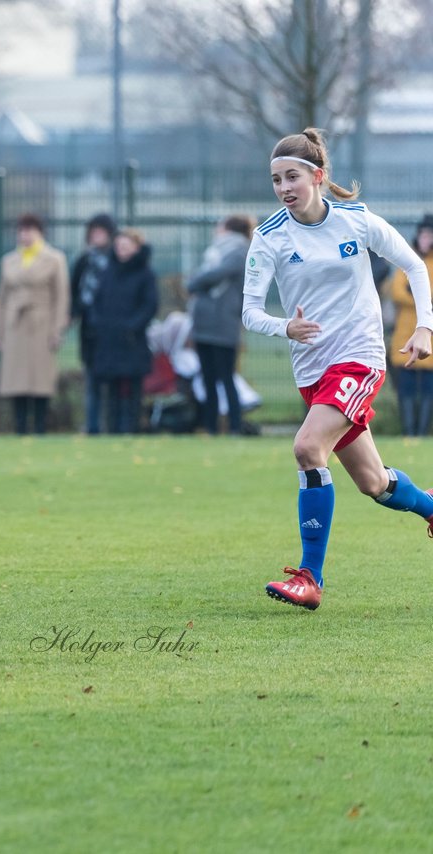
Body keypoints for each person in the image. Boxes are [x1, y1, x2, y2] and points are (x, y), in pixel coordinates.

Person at [242, 128, 433, 610]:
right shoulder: (269, 238)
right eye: (276, 180)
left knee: (307, 447)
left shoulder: (355, 220)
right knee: (374, 483)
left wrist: (425, 327)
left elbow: (415, 266)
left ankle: (310, 578)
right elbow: (249, 313)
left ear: (318, 177)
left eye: (293, 177)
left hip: (359, 358)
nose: (284, 188)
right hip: (313, 372)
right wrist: (286, 328)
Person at [0, 213, 69, 435]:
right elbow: (1, 299)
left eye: (30, 230)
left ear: (40, 233)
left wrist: (56, 329)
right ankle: (20, 427)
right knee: (16, 379)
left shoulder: (54, 259)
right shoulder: (9, 260)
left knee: (40, 379)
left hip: (41, 323)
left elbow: (61, 296)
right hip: (15, 326)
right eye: (22, 231)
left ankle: (40, 427)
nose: (25, 235)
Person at [186, 215, 252, 435]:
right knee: (208, 379)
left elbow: (213, 276)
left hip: (224, 326)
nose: (216, 230)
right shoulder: (216, 252)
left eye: (220, 226)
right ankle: (211, 427)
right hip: (204, 325)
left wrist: (194, 282)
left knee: (227, 378)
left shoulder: (239, 252)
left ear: (229, 229)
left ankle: (234, 426)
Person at [90, 229, 158, 434]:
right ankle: (111, 429)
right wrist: (100, 323)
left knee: (134, 387)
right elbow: (97, 300)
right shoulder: (107, 271)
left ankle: (133, 427)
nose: (121, 250)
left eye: (126, 246)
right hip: (109, 339)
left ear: (136, 248)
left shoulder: (145, 274)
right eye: (119, 246)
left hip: (132, 340)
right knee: (111, 387)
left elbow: (149, 305)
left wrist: (132, 326)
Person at [70, 213, 117, 434]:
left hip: (113, 329)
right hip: (89, 329)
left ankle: (113, 426)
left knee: (113, 383)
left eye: (101, 231)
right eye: (93, 232)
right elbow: (74, 293)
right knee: (92, 381)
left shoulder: (117, 260)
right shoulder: (84, 261)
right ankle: (92, 426)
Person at [387, 214, 433, 437]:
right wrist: (423, 300)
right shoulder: (409, 261)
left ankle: (421, 432)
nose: (425, 240)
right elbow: (396, 291)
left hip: (428, 337)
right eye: (423, 235)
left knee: (427, 391)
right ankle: (408, 432)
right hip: (405, 335)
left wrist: (413, 296)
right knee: (405, 389)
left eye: (429, 235)